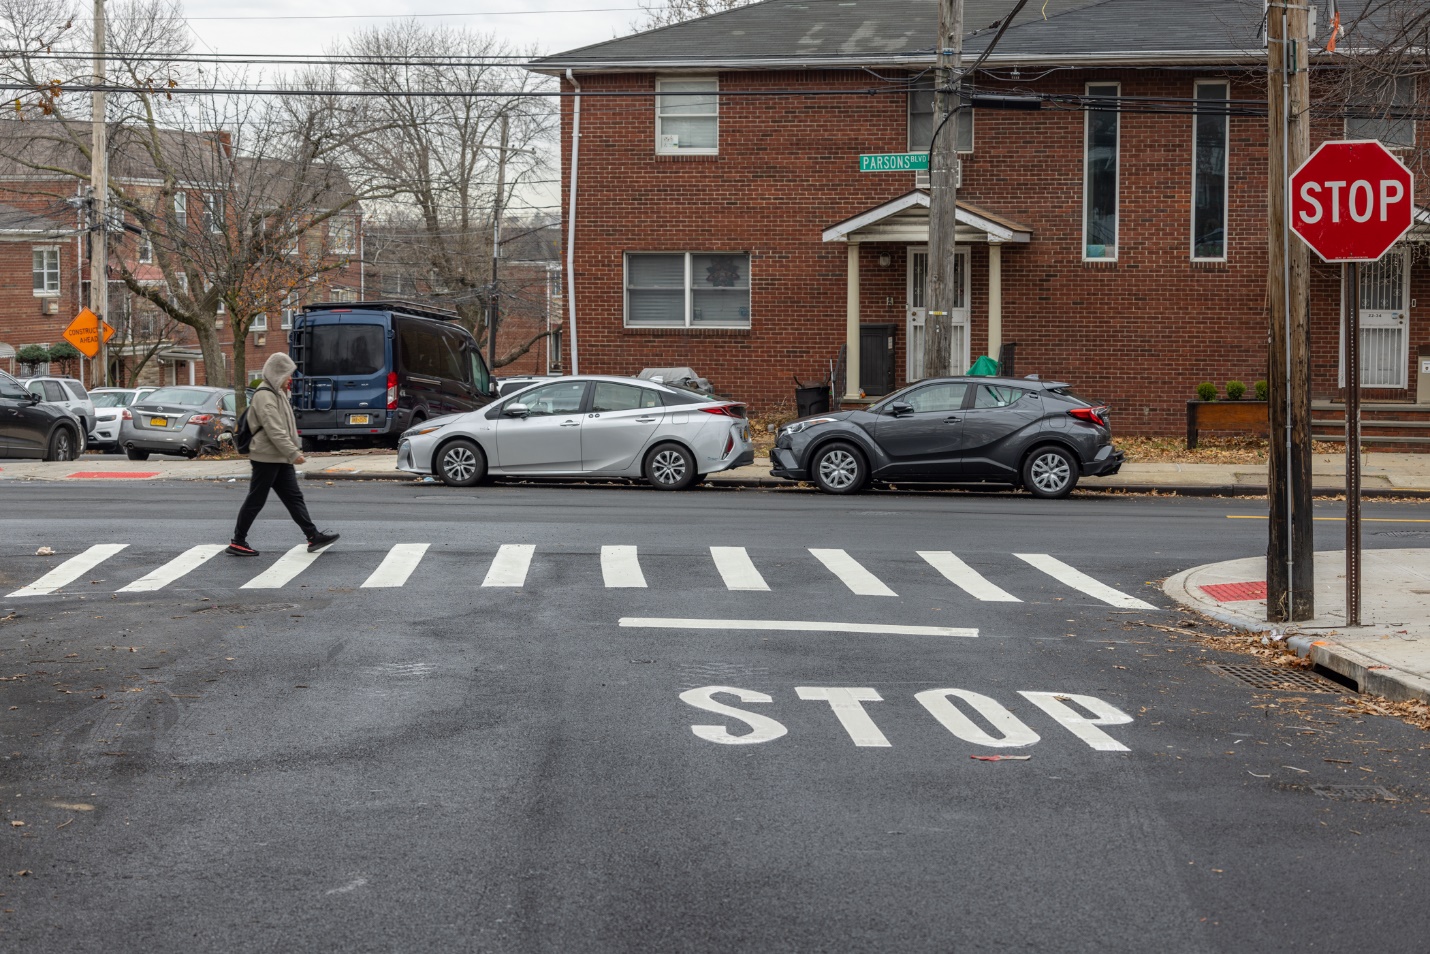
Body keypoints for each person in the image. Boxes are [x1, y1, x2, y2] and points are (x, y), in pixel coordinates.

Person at [226, 352, 339, 557]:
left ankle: (312, 536)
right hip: (266, 456)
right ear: (278, 373)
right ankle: (238, 541)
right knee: (256, 500)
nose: (291, 379)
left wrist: (290, 451)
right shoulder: (265, 396)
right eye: (288, 375)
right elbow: (274, 429)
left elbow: (286, 427)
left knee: (294, 497)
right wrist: (293, 452)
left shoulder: (277, 393)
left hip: (280, 456)